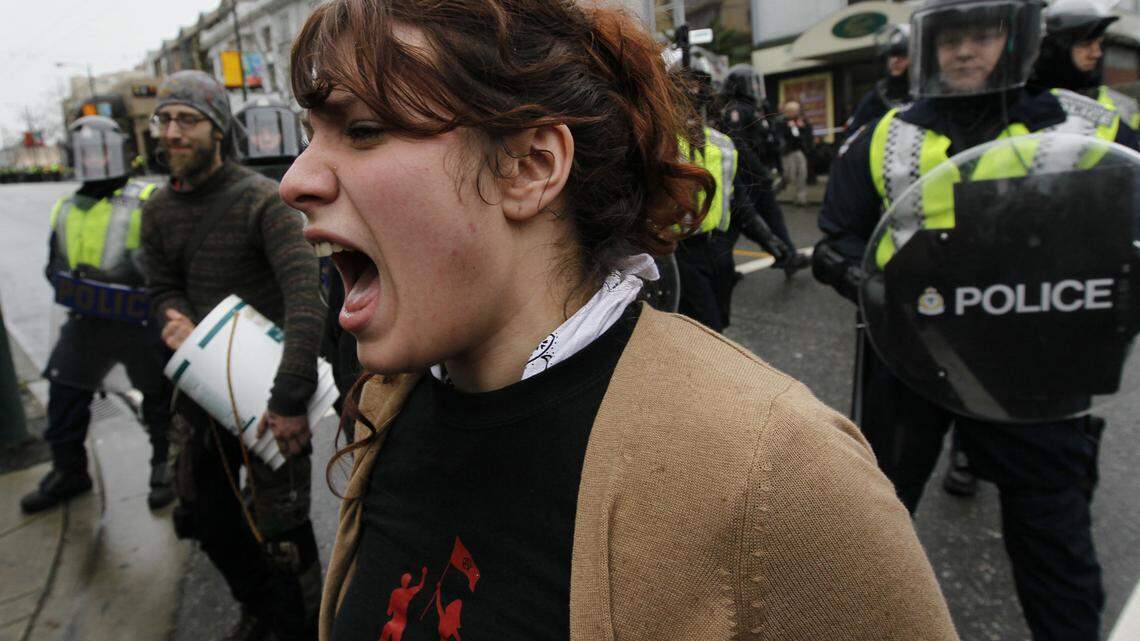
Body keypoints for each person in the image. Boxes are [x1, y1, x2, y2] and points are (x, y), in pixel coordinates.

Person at [281, 1, 959, 640]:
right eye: (312, 133)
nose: (295, 179)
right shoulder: (388, 403)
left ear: (530, 166)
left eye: (363, 129)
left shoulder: (779, 468)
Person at [813, 1, 1136, 639]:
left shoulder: (1085, 128)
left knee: (1055, 547)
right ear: (930, 46)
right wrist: (874, 284)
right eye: (951, 38)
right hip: (914, 360)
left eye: (982, 35)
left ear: (1016, 38)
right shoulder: (888, 134)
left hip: (1035, 370)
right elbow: (835, 242)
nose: (965, 52)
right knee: (876, 520)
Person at [140, 70, 324, 641]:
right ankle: (258, 609)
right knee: (208, 519)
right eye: (164, 120)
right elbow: (160, 286)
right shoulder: (157, 210)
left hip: (266, 397)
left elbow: (305, 297)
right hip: (200, 394)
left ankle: (300, 627)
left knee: (283, 528)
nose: (172, 132)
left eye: (187, 120)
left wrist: (290, 396)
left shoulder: (261, 202)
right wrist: (172, 316)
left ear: (217, 130)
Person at [20, 115, 173, 514]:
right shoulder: (66, 207)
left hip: (138, 317)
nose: (96, 160)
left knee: (158, 394)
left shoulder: (146, 199)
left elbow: (167, 262)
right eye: (87, 153)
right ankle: (69, 471)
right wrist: (73, 287)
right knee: (64, 394)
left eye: (103, 151)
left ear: (120, 152)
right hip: (87, 320)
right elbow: (53, 265)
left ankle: (165, 466)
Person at [719, 64, 811, 276]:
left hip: (757, 177)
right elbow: (739, 145)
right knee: (741, 222)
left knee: (753, 219)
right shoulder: (737, 110)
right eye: (751, 84)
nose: (756, 88)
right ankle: (785, 256)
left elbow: (765, 141)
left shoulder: (753, 109)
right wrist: (761, 172)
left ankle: (786, 255)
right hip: (748, 177)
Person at [1029, 0, 1140, 128]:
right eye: (1086, 45)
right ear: (1058, 49)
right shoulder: (1020, 101)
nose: (1097, 53)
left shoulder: (1122, 107)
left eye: (1099, 43)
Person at [846, 24, 914, 137]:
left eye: (902, 54)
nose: (895, 60)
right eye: (892, 54)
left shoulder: (928, 95)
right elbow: (851, 137)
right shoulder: (875, 99)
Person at [774, 101, 812, 207]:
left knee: (802, 174)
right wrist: (788, 127)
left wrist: (802, 127)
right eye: (792, 110)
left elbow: (806, 135)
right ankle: (774, 190)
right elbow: (778, 136)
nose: (795, 112)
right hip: (787, 152)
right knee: (788, 176)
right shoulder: (781, 121)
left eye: (796, 110)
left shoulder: (801, 121)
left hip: (799, 151)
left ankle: (801, 198)